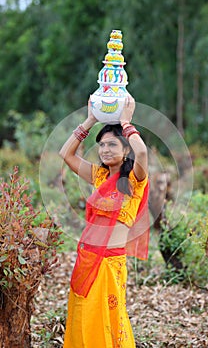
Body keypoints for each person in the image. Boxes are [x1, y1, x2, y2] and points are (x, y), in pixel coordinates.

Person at [59, 95, 150, 348]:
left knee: (111, 320)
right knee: (85, 317)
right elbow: (65, 154)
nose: (105, 150)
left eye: (112, 145)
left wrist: (125, 122)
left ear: (125, 150)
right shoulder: (98, 175)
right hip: (87, 258)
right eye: (102, 146)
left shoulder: (134, 180)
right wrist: (90, 119)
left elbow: (142, 151)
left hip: (110, 263)